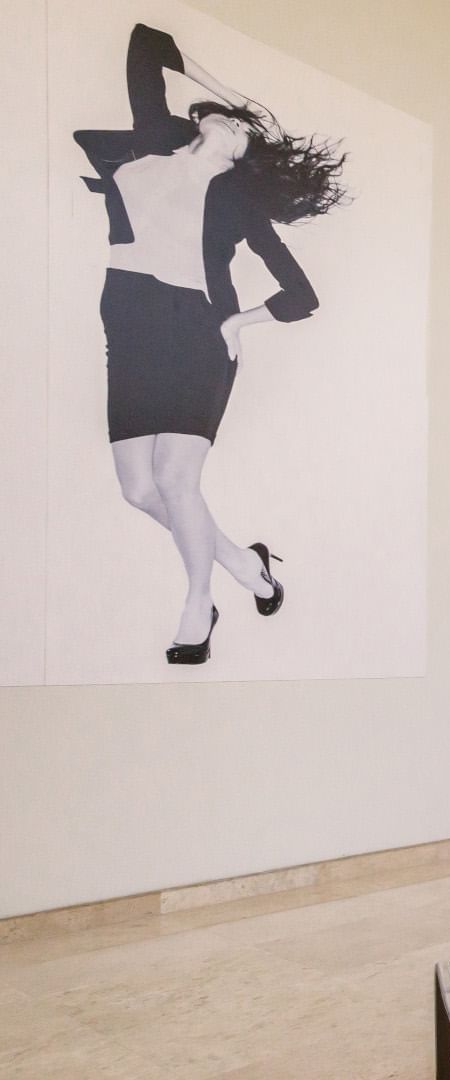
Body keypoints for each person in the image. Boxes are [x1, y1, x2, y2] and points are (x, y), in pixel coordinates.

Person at [75, 23, 347, 664]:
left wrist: (236, 323)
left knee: (175, 480)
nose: (231, 125)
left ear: (245, 157)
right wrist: (230, 102)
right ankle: (245, 564)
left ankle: (199, 605)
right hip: (129, 324)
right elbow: (147, 44)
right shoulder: (152, 143)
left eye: (242, 133)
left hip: (197, 331)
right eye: (223, 121)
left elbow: (302, 295)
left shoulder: (238, 200)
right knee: (138, 490)